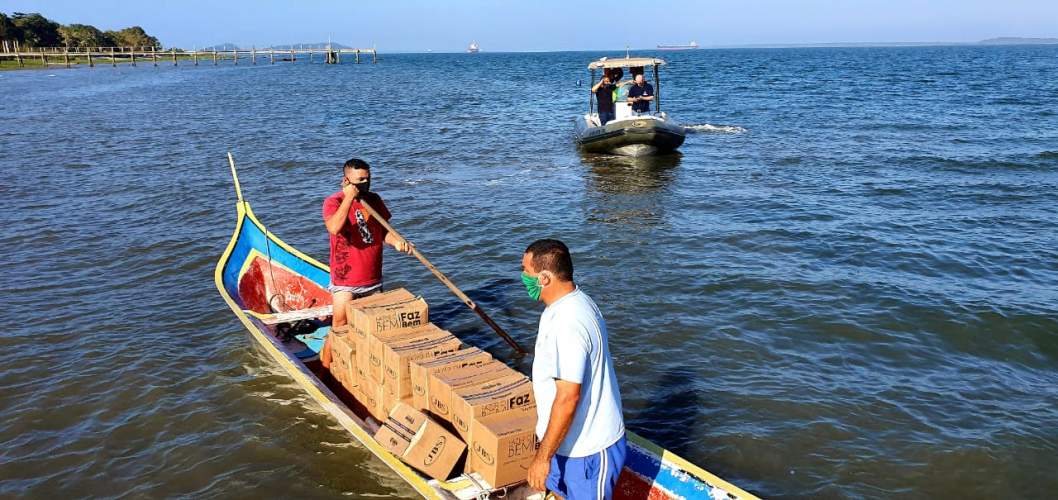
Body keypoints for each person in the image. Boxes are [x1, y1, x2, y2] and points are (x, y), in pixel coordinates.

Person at [521, 239, 626, 499]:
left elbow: (568, 397)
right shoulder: (565, 305)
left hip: (588, 451)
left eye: (526, 271)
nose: (523, 277)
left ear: (544, 278)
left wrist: (542, 458)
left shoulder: (568, 323)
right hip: (563, 443)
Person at [320, 158, 412, 368]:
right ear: (346, 180)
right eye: (359, 180)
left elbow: (382, 233)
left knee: (375, 329)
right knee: (339, 326)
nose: (365, 184)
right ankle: (325, 370)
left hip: (372, 278)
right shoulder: (333, 202)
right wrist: (349, 199)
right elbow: (334, 227)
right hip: (345, 279)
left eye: (368, 179)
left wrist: (397, 242)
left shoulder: (374, 200)